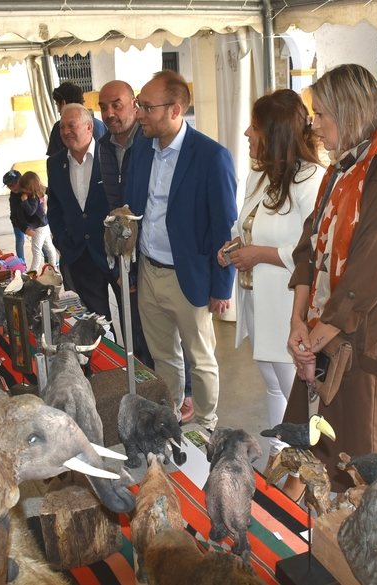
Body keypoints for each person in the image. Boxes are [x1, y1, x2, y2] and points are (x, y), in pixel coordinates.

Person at [284, 63, 377, 493]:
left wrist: (311, 342)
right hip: (322, 333)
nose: (314, 126)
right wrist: (297, 323)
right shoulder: (338, 173)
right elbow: (308, 250)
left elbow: (363, 280)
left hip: (363, 346)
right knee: (307, 454)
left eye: (321, 114)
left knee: (356, 470)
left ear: (352, 112)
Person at [217, 89, 324, 483]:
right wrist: (233, 246)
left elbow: (312, 249)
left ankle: (297, 471)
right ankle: (281, 463)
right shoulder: (260, 173)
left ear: (275, 133)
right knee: (275, 388)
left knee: (294, 393)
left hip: (285, 306)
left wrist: (260, 254)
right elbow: (245, 224)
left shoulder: (310, 179)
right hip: (256, 302)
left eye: (255, 127)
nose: (246, 132)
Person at [123, 70, 237, 430]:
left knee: (200, 360)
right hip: (149, 271)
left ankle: (205, 426)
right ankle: (169, 420)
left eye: (146, 106)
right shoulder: (141, 147)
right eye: (139, 105)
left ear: (175, 110)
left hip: (189, 277)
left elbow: (225, 228)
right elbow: (136, 205)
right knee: (163, 357)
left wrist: (222, 288)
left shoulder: (211, 157)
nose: (138, 113)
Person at [96, 79, 156, 371]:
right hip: (123, 253)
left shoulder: (150, 141)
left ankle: (179, 393)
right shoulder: (104, 145)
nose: (109, 113)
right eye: (103, 107)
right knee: (133, 329)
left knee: (160, 333)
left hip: (152, 253)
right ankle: (144, 383)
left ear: (133, 105)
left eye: (116, 105)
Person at [46, 104, 117, 320]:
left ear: (89, 127)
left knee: (135, 321)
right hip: (78, 254)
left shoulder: (112, 156)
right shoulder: (55, 163)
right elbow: (54, 208)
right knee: (94, 323)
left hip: (113, 253)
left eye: (71, 125)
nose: (66, 131)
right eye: (62, 127)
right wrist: (61, 241)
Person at [46, 81, 106, 157]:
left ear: (63, 103)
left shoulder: (60, 128)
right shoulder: (101, 125)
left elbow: (54, 160)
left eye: (57, 105)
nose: (58, 111)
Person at [17, 171, 57, 273]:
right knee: (49, 246)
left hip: (39, 227)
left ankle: (33, 271)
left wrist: (24, 201)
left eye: (25, 189)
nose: (23, 191)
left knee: (36, 249)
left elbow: (31, 211)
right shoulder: (40, 192)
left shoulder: (33, 198)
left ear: (31, 188)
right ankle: (52, 267)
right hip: (44, 224)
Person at [4, 169, 27, 261]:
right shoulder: (13, 198)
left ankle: (49, 258)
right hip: (18, 222)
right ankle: (21, 262)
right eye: (10, 185)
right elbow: (13, 215)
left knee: (40, 241)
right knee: (20, 241)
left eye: (15, 182)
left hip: (32, 220)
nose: (13, 187)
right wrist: (23, 227)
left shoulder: (28, 189)